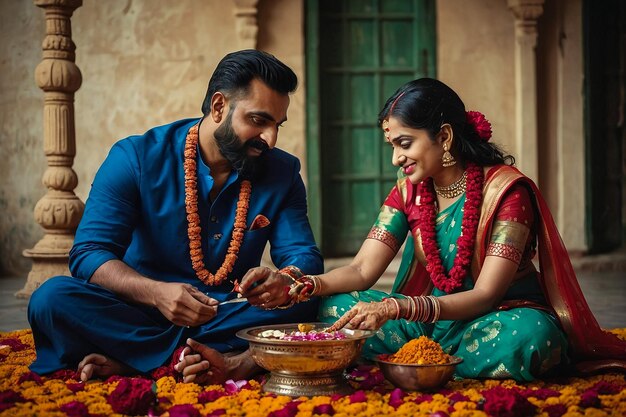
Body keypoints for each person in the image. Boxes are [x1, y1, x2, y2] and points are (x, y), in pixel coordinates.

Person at [238, 78, 626, 382]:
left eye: (404, 143)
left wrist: (398, 306)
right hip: (428, 325)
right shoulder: (409, 192)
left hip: (497, 318)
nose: (396, 158)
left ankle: (422, 363)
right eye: (392, 145)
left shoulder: (506, 192)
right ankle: (433, 362)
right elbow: (361, 271)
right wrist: (301, 285)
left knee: (533, 339)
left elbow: (487, 293)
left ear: (443, 136)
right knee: (335, 308)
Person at [27, 49, 323, 384]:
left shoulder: (282, 172)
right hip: (137, 308)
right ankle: (206, 359)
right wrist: (157, 293)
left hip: (222, 310)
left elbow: (304, 256)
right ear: (218, 106)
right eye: (258, 121)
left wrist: (286, 277)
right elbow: (89, 253)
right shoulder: (136, 157)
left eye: (277, 125)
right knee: (51, 299)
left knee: (309, 299)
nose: (270, 138)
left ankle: (138, 360)